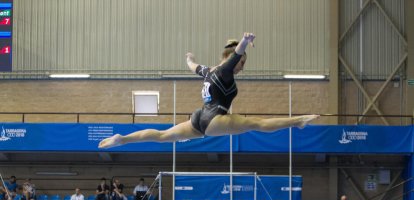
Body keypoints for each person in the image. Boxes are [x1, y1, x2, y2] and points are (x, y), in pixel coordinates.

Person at [98, 33, 318, 149]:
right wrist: (244, 41)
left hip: (199, 117)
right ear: (235, 60)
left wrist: (189, 59)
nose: (243, 67)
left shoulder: (208, 71)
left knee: (163, 135)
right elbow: (235, 56)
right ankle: (298, 120)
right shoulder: (224, 70)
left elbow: (193, 67)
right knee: (256, 123)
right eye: (243, 63)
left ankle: (123, 139)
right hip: (216, 117)